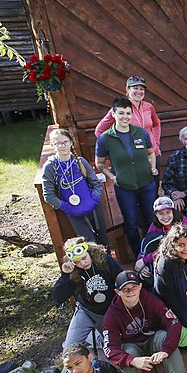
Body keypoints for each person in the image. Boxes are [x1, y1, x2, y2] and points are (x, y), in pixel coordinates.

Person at [95, 96, 158, 254]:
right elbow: (100, 163)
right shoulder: (105, 138)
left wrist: (153, 167)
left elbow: (151, 153)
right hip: (125, 188)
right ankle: (138, 255)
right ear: (114, 114)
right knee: (131, 222)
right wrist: (112, 176)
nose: (125, 117)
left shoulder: (141, 132)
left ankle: (153, 251)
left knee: (150, 219)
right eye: (121, 113)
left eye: (128, 113)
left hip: (147, 184)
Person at [53, 238, 122, 352]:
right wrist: (65, 275)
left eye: (84, 258)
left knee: (115, 345)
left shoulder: (106, 262)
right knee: (68, 349)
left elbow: (121, 280)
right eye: (77, 262)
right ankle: (90, 332)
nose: (83, 263)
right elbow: (58, 298)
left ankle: (95, 335)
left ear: (90, 252)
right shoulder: (73, 272)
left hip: (110, 311)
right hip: (86, 312)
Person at [42, 128, 108, 247]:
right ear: (52, 145)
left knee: (104, 241)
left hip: (93, 207)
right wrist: (66, 207)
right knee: (89, 244)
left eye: (65, 142)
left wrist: (94, 198)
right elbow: (48, 195)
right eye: (57, 143)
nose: (62, 146)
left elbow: (96, 183)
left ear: (71, 142)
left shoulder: (80, 161)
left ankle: (108, 265)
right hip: (74, 212)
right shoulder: (50, 167)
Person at [94, 76, 162, 187]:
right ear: (127, 89)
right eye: (135, 88)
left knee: (152, 190)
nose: (139, 91)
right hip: (132, 160)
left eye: (142, 89)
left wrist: (156, 142)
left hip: (152, 155)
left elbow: (156, 123)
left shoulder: (149, 107)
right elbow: (99, 131)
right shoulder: (120, 109)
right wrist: (116, 147)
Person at [135, 197, 187, 284]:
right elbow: (147, 244)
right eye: (161, 213)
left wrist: (145, 260)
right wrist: (141, 262)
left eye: (168, 212)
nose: (165, 217)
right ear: (156, 215)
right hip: (163, 258)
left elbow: (173, 249)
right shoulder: (154, 226)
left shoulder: (183, 223)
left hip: (182, 256)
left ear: (173, 211)